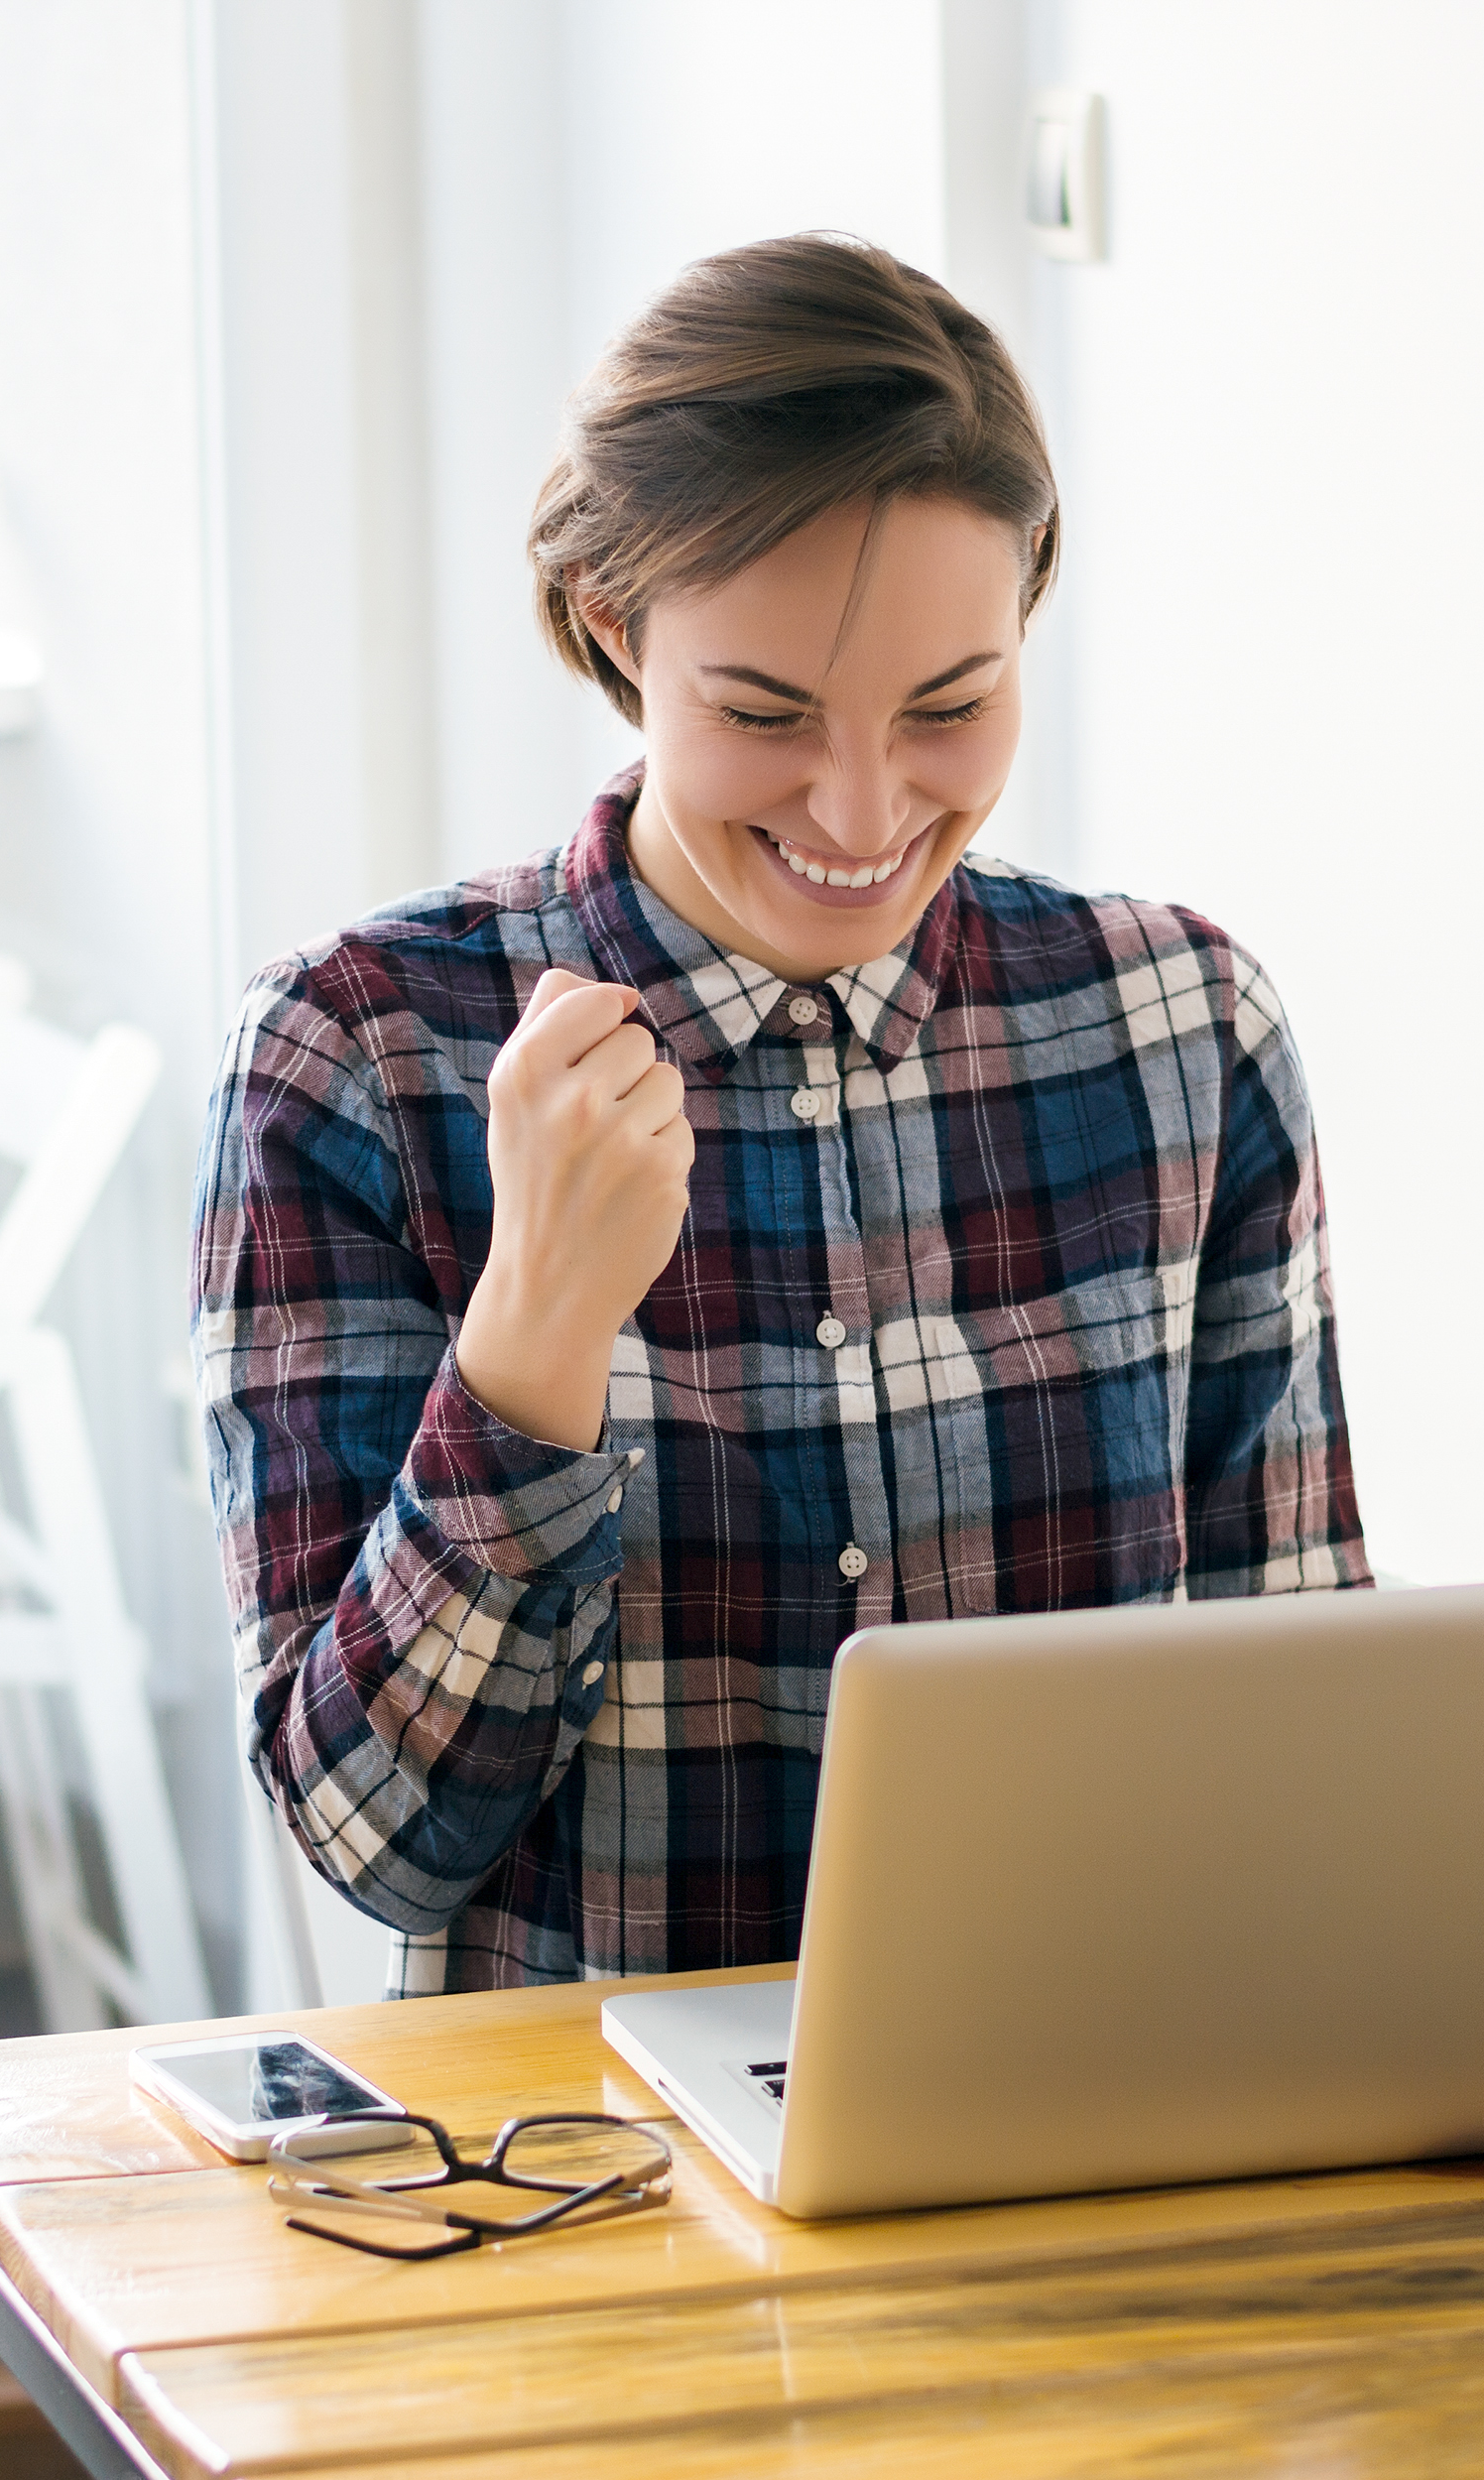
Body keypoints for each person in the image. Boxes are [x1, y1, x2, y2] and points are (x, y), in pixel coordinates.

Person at [194, 233, 1369, 1995]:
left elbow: (1307, 1730)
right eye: (765, 713)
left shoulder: (1180, 1025)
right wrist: (534, 1335)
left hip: (1099, 2143)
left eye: (951, 707)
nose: (865, 803)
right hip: (598, 2194)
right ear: (613, 627)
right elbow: (373, 1843)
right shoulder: (360, 1056)